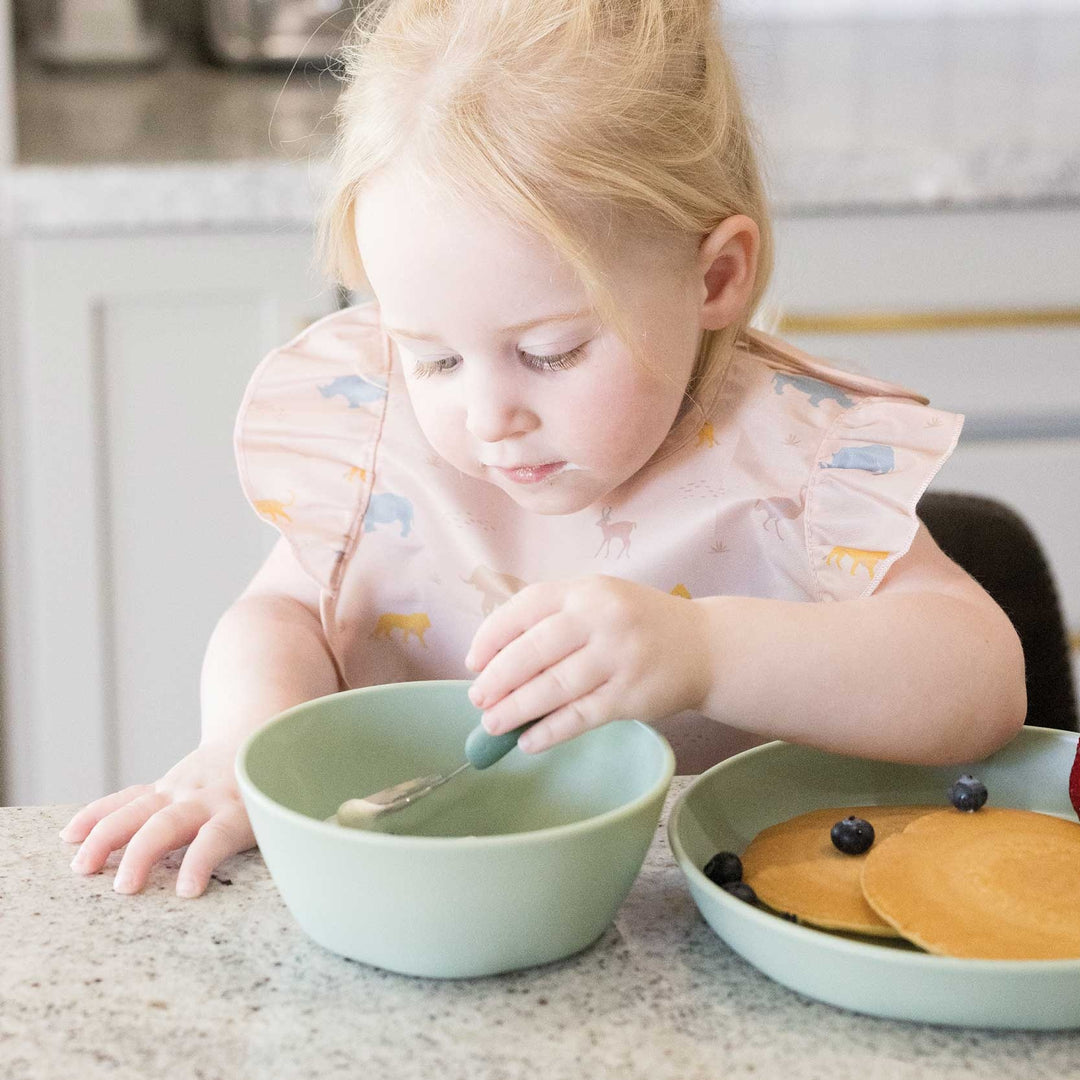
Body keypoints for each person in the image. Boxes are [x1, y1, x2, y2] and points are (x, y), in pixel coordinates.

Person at [61, 0, 1026, 898]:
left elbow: (981, 681)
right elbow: (278, 612)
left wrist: (706, 650)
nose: (489, 416)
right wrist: (242, 740)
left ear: (716, 276)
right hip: (425, 903)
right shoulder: (378, 432)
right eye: (433, 355)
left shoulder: (795, 463)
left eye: (549, 351)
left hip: (697, 939)